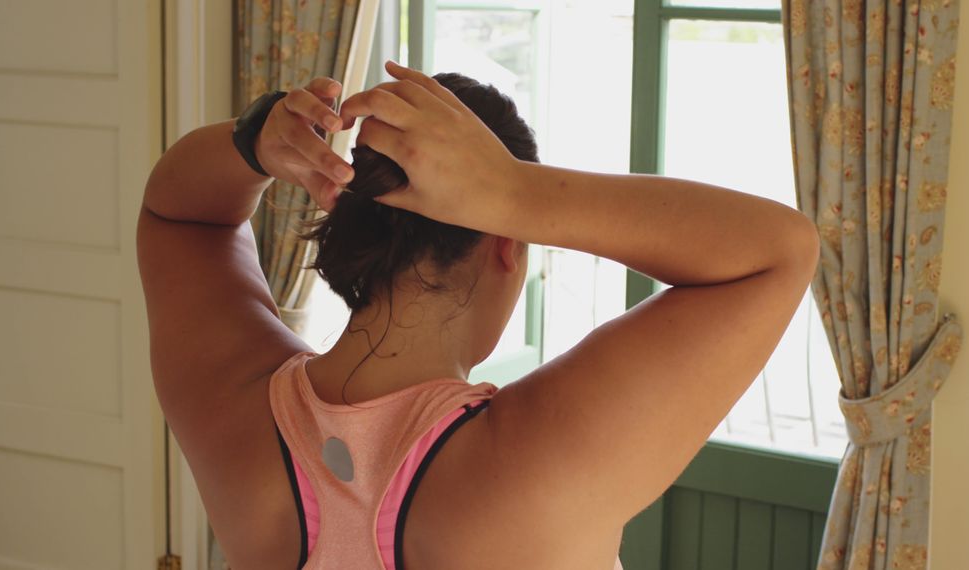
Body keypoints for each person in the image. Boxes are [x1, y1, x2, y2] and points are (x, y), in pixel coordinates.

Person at [138, 60, 820, 569]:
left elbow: (179, 218)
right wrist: (515, 192)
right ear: (505, 248)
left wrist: (256, 141)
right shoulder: (537, 459)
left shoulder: (234, 410)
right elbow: (778, 250)